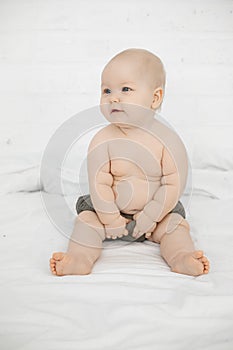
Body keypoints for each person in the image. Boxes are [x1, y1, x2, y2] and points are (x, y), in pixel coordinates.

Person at [50, 48, 210, 276]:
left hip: (158, 214)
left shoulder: (168, 140)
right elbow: (99, 183)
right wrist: (111, 219)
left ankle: (181, 257)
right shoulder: (102, 139)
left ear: (155, 97)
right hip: (108, 213)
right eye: (106, 90)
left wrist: (151, 216)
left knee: (175, 226)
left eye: (126, 89)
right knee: (86, 220)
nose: (113, 97)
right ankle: (79, 259)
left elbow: (173, 184)